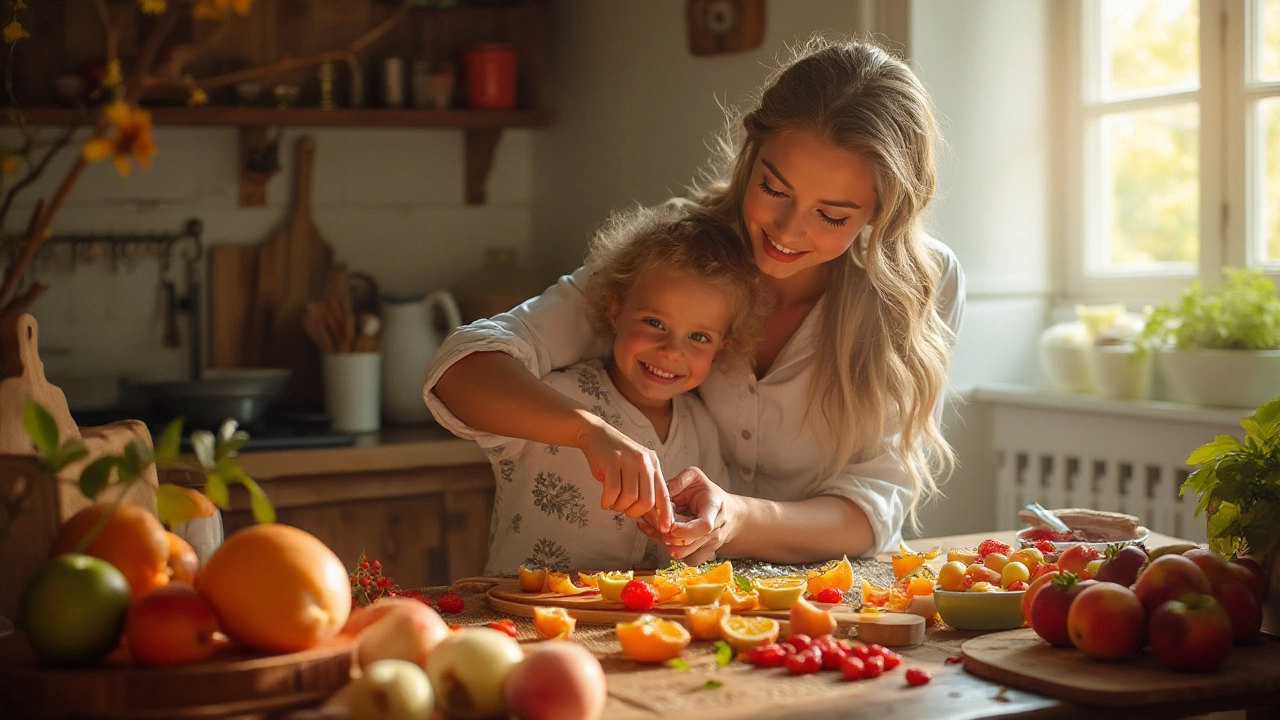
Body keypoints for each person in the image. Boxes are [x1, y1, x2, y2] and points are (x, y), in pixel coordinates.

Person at [426, 35, 964, 566]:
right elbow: (464, 368)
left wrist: (735, 517)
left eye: (831, 216)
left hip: (836, 596)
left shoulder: (922, 284)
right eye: (774, 189)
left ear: (882, 212)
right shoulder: (675, 251)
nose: (786, 231)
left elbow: (872, 508)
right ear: (752, 152)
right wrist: (588, 432)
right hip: (694, 601)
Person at [426, 203, 771, 574]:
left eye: (699, 336)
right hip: (526, 620)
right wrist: (586, 431)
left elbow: (705, 556)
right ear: (614, 311)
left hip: (640, 627)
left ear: (722, 346)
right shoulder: (552, 395)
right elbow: (452, 384)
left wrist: (691, 539)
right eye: (654, 322)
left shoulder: (704, 427)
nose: (672, 350)